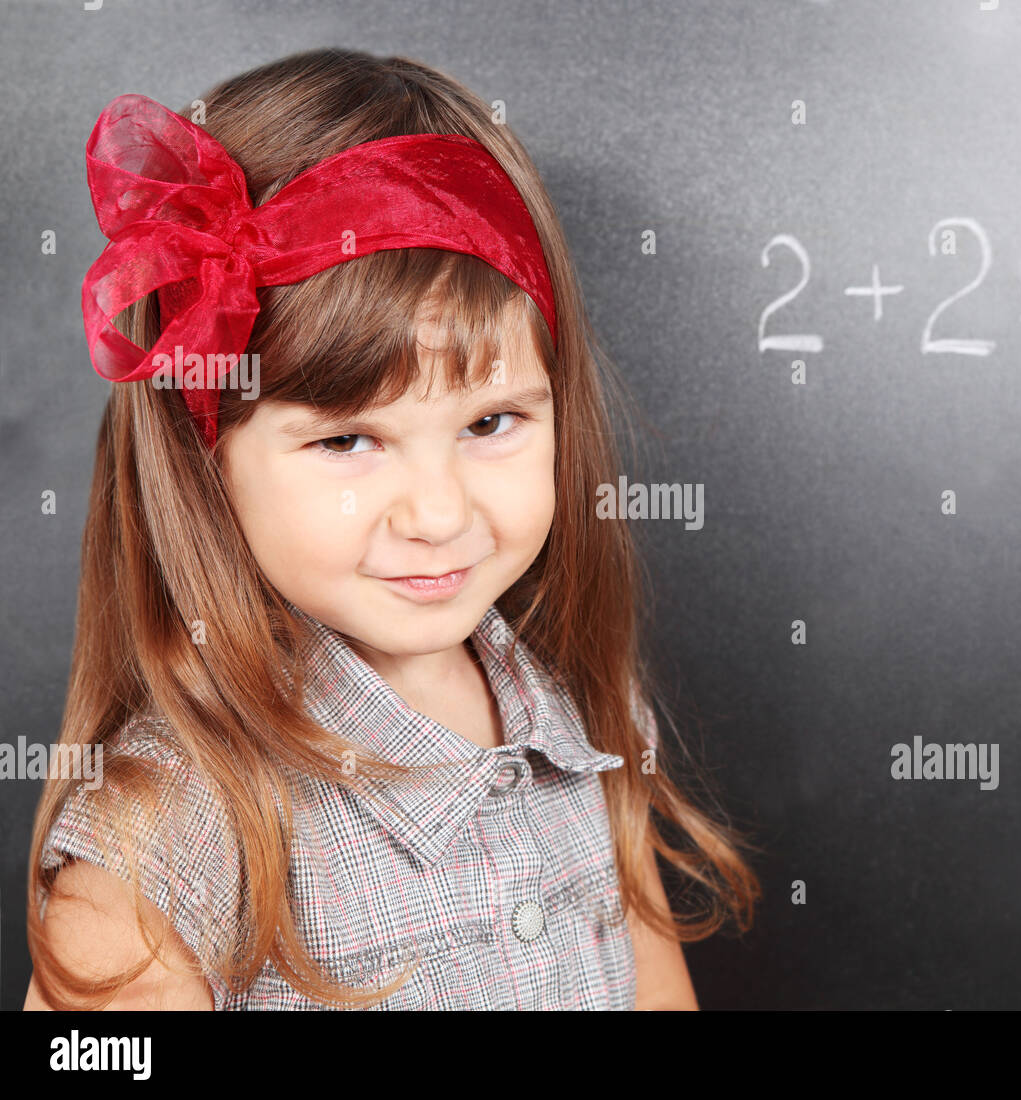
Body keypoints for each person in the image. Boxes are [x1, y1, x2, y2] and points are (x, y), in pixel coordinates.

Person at [25, 48, 759, 1010]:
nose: (440, 514)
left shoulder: (583, 701)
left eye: (490, 424)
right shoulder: (166, 837)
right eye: (347, 441)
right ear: (207, 463)